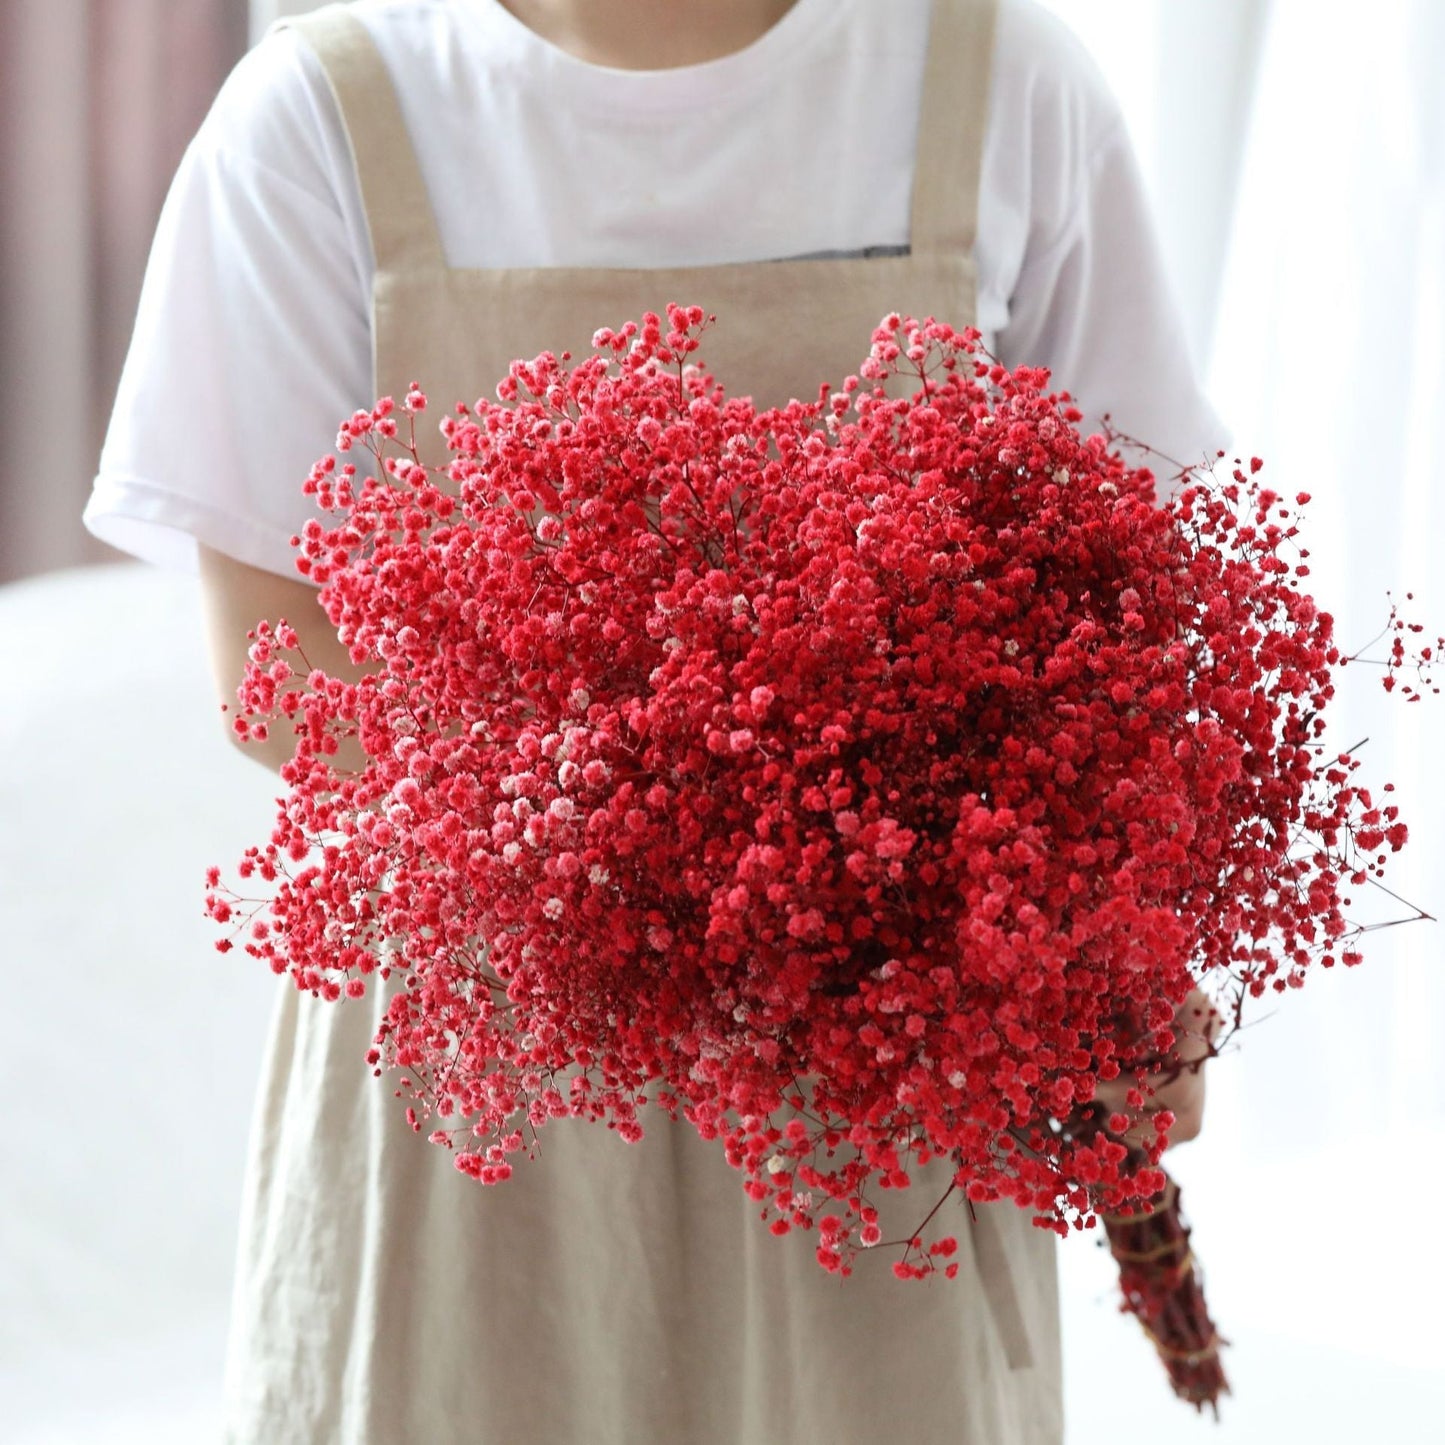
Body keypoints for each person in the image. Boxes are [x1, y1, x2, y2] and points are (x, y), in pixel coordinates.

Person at [83, 1, 1228, 1440]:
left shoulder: (998, 80)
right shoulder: (319, 118)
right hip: (475, 1104)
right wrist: (682, 856)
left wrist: (1113, 943)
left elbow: (1117, 607)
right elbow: (277, 669)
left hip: (873, 1097)